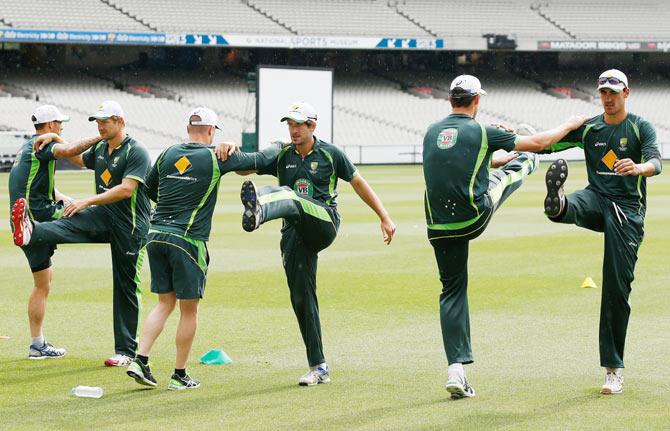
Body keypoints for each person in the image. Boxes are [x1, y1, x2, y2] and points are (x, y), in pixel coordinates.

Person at [422, 75, 586, 399]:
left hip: (437, 226)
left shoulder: (431, 132)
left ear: (451, 99)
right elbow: (538, 140)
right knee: (508, 174)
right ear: (477, 100)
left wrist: (497, 154)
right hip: (472, 217)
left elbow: (463, 163)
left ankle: (456, 371)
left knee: (452, 290)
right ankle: (529, 166)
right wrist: (568, 124)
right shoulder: (480, 130)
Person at [235, 101, 396, 386]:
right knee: (301, 298)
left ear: (312, 126)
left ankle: (260, 209)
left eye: (299, 125)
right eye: (290, 125)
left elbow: (359, 183)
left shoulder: (331, 154)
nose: (293, 130)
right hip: (294, 234)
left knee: (290, 195)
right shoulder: (283, 154)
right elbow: (247, 168)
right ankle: (319, 367)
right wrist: (228, 148)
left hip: (324, 222)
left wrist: (384, 217)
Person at [126, 107, 274, 390]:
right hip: (188, 240)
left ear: (188, 129)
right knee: (188, 311)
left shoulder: (168, 153)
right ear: (211, 131)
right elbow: (261, 159)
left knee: (163, 303)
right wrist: (277, 145)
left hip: (156, 235)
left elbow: (149, 189)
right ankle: (179, 374)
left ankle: (140, 359)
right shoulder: (216, 157)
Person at [541, 69, 662, 395]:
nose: (607, 98)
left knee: (615, 288)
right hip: (596, 199)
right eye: (603, 92)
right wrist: (513, 139)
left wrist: (638, 167)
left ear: (626, 93)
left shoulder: (639, 126)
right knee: (573, 204)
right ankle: (559, 205)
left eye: (613, 92)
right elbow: (548, 146)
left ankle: (613, 369)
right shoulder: (591, 127)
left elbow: (657, 162)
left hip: (626, 212)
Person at [11, 100, 152, 367]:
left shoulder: (136, 150)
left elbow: (126, 189)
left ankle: (126, 351)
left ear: (120, 121)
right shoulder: (101, 147)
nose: (99, 125)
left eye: (104, 121)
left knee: (126, 287)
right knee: (70, 220)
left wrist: (87, 201)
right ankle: (32, 231)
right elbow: (75, 157)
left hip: (130, 225)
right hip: (106, 215)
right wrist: (54, 138)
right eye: (97, 121)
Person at [8, 105, 99, 359]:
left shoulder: (28, 147)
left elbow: (36, 184)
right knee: (97, 220)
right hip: (39, 217)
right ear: (49, 125)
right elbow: (71, 153)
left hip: (26, 215)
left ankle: (37, 345)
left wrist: (64, 197)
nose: (61, 127)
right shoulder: (45, 144)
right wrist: (104, 135)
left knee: (42, 284)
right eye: (59, 124)